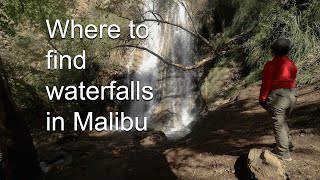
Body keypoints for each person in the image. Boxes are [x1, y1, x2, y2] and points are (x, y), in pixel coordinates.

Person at [259, 38, 298, 161]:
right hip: (292, 95)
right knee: (282, 121)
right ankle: (288, 144)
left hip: (278, 97)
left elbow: (266, 83)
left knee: (277, 124)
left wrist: (262, 98)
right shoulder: (291, 63)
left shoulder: (271, 65)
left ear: (273, 51)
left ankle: (283, 153)